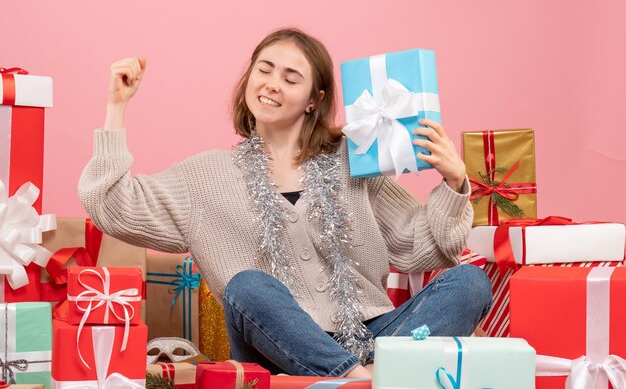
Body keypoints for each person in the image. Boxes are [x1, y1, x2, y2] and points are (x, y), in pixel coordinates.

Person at [78, 27, 492, 378]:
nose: (273, 83)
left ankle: (364, 376)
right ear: (248, 80)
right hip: (277, 351)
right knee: (247, 284)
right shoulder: (204, 176)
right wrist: (117, 106)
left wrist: (455, 181)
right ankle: (356, 380)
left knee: (470, 283)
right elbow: (112, 204)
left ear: (314, 99)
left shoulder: (354, 159)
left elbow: (422, 247)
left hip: (375, 335)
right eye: (264, 69)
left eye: (291, 78)